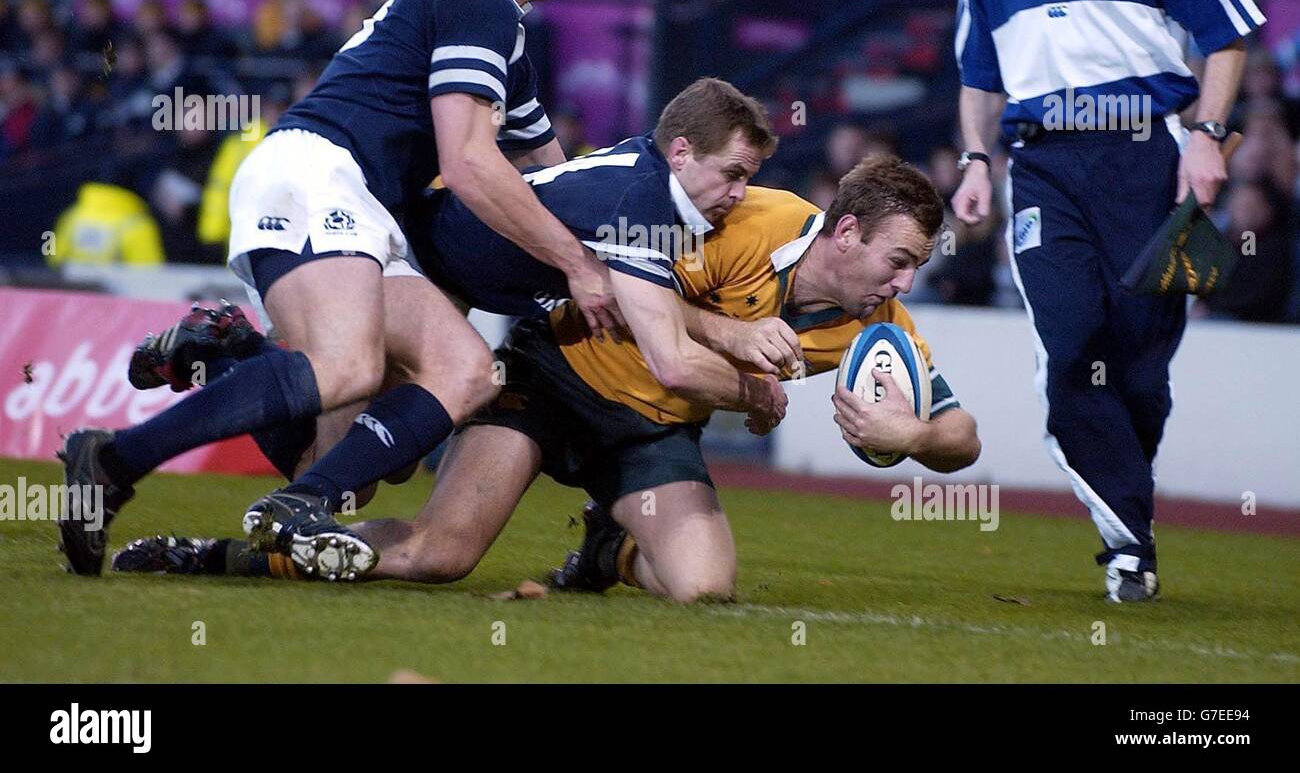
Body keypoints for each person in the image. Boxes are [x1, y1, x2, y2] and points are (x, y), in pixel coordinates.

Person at [57, 0, 618, 580]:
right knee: (347, 367)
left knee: (459, 376)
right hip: (318, 175)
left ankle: (253, 395)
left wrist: (620, 241)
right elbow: (470, 164)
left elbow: (556, 173)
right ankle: (116, 458)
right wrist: (576, 264)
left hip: (354, 204)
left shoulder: (501, 30)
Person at [115, 157, 982, 600]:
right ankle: (223, 555)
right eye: (899, 260)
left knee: (706, 586)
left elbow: (963, 436)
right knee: (440, 555)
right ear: (843, 231)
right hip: (557, 373)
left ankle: (613, 542)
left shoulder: (880, 328)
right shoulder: (746, 218)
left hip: (650, 429)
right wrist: (737, 362)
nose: (907, 283)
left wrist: (913, 437)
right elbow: (626, 290)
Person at [111, 78, 785, 581]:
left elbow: (644, 303)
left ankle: (227, 352)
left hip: (436, 273)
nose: (738, 195)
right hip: (416, 270)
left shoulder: (638, 177)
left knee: (377, 463)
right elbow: (668, 358)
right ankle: (235, 387)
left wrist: (726, 340)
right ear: (682, 152)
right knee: (349, 470)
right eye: (732, 175)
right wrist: (756, 392)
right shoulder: (648, 202)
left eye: (748, 180)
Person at [950, 0, 1264, 602]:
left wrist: (1207, 136)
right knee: (1067, 343)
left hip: (1146, 156)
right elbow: (980, 77)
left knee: (1139, 366)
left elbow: (1227, 34)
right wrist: (978, 161)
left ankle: (1128, 512)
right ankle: (1129, 542)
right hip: (1043, 166)